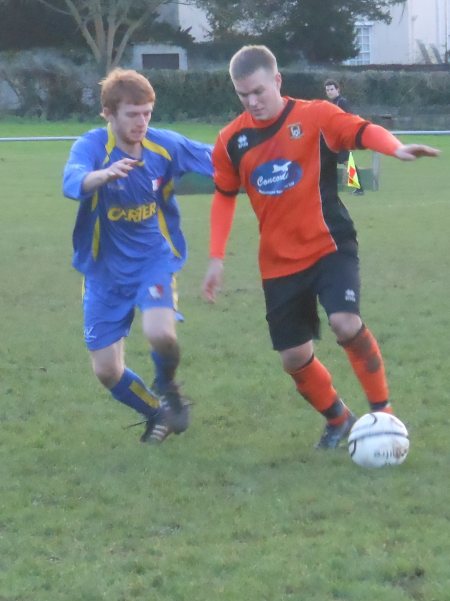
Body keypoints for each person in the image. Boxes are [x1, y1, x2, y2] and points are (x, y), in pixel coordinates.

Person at [202, 45, 439, 449]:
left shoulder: (315, 116)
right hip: (278, 261)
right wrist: (216, 257)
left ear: (277, 80)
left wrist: (394, 147)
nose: (253, 101)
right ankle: (339, 418)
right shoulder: (231, 141)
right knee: (293, 357)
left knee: (345, 322)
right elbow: (224, 195)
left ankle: (383, 414)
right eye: (243, 95)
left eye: (259, 91)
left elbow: (361, 131)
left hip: (330, 244)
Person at [63, 68, 213, 444]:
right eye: (133, 114)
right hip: (103, 272)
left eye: (147, 113)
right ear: (109, 114)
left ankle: (168, 387)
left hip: (153, 261)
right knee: (107, 371)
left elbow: (217, 160)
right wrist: (103, 175)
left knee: (160, 332)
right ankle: (156, 412)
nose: (142, 122)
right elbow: (71, 180)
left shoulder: (163, 146)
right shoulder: (93, 147)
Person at [324, 78, 365, 195]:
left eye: (332, 89)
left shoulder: (342, 102)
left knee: (347, 162)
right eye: (327, 90)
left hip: (341, 138)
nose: (329, 92)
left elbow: (350, 117)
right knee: (327, 162)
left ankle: (359, 188)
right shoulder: (330, 104)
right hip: (332, 139)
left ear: (338, 90)